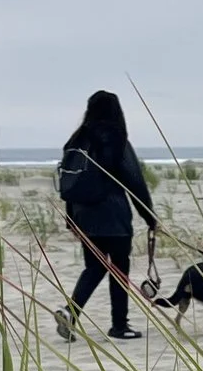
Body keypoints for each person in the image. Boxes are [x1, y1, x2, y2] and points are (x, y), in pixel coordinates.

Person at [53, 89, 157, 340]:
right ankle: (119, 325)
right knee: (119, 269)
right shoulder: (117, 140)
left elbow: (70, 182)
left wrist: (71, 218)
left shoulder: (77, 141)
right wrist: (149, 216)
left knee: (94, 267)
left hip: (83, 215)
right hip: (113, 216)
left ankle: (71, 312)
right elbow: (135, 182)